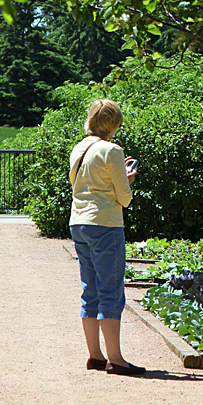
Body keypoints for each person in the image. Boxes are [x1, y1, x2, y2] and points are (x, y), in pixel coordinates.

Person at [69, 99, 145, 376]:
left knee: (90, 291)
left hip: (78, 222)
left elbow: (87, 183)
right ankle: (117, 359)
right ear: (114, 124)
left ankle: (95, 356)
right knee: (111, 292)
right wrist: (128, 178)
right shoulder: (112, 150)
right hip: (105, 224)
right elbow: (123, 198)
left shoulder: (79, 148)